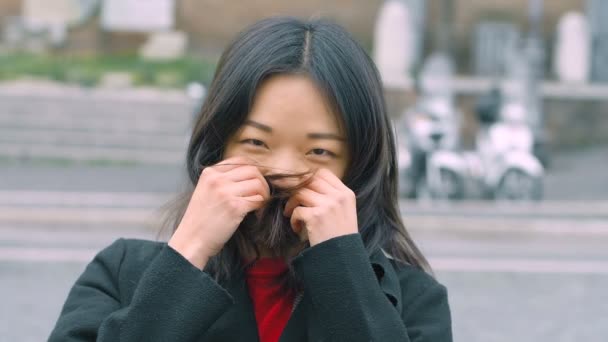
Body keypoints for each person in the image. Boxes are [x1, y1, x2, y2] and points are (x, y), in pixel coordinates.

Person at [49, 17, 452, 342]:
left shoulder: (414, 300)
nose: (282, 171)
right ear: (217, 144)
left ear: (357, 166)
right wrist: (189, 249)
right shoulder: (121, 272)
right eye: (256, 142)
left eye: (319, 152)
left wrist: (343, 270)